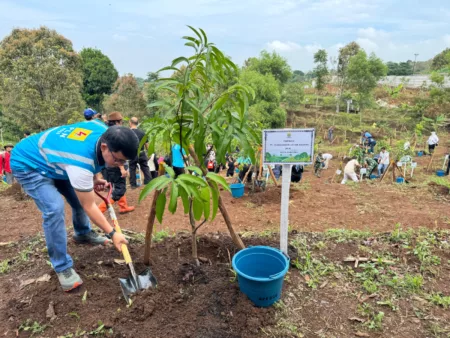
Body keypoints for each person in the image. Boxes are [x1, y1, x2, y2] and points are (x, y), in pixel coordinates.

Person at [11, 121, 138, 291]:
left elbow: (94, 158)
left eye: (124, 162)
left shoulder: (102, 130)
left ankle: (83, 234)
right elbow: (90, 206)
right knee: (54, 209)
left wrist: (93, 179)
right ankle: (62, 266)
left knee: (78, 199)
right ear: (105, 147)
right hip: (29, 163)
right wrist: (113, 233)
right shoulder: (80, 163)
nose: (120, 165)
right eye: (118, 160)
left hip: (57, 162)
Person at [98, 112, 135, 214]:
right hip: (115, 167)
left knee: (118, 186)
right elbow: (117, 155)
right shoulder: (116, 134)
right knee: (119, 190)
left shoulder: (105, 129)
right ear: (118, 122)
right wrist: (122, 168)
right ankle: (100, 210)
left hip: (106, 167)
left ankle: (123, 206)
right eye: (121, 121)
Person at [128, 117, 152, 188]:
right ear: (137, 123)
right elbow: (147, 145)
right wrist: (149, 153)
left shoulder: (128, 133)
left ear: (130, 122)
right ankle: (148, 182)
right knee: (145, 167)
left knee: (132, 168)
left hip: (132, 153)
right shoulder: (142, 133)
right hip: (141, 153)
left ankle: (133, 185)